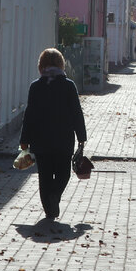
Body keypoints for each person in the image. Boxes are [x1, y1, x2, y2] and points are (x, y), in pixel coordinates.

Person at [20, 48, 87, 222]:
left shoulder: (36, 86)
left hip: (40, 140)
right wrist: (81, 136)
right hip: (63, 139)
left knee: (45, 175)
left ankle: (49, 210)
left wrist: (24, 140)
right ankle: (55, 196)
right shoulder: (68, 85)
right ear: (61, 64)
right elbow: (76, 113)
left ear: (41, 65)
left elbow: (30, 114)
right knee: (64, 173)